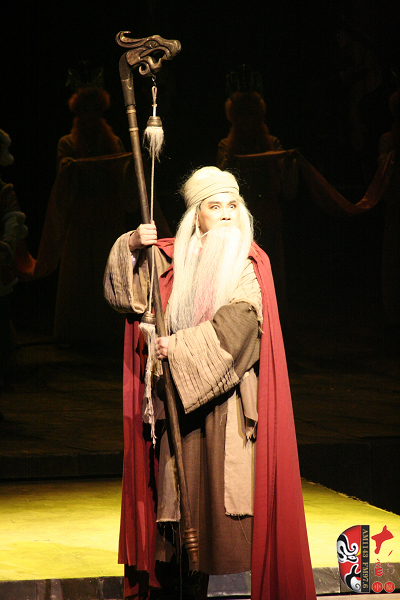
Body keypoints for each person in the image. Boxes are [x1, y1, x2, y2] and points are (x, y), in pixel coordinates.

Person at [104, 167, 316, 600]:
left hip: (226, 402)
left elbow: (242, 325)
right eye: (214, 207)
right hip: (178, 404)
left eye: (232, 206)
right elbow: (126, 297)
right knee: (176, 519)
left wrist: (177, 348)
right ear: (195, 216)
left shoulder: (248, 263)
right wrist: (132, 245)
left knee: (215, 513)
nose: (225, 215)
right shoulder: (172, 259)